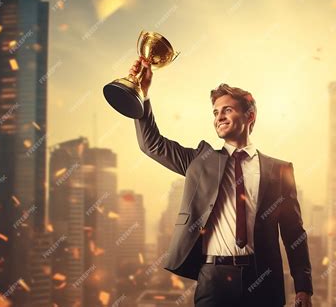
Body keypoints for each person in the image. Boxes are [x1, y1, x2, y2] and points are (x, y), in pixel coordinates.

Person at [130, 57, 313, 307]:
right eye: (215, 112)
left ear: (250, 116)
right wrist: (143, 94)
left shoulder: (279, 170)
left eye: (227, 110)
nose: (219, 117)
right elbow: (151, 144)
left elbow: (294, 233)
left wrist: (303, 288)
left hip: (262, 279)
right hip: (213, 279)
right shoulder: (200, 161)